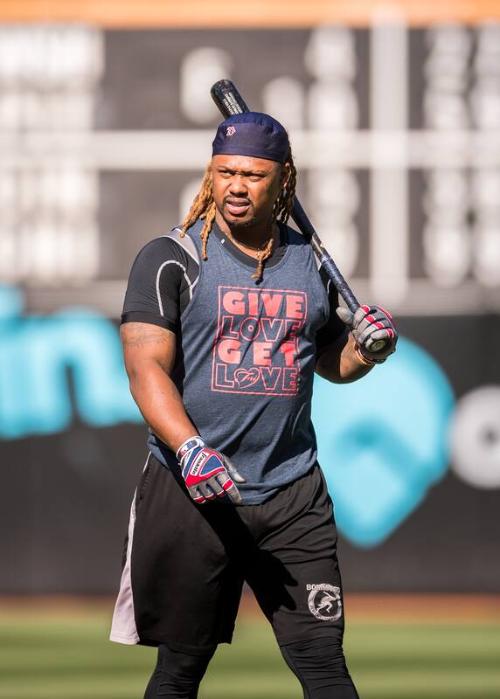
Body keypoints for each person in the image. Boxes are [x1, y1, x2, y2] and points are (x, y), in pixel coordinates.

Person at [110, 112, 397, 699]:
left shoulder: (310, 261)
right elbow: (145, 371)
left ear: (282, 180)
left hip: (292, 492)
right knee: (180, 669)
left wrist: (369, 351)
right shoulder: (170, 257)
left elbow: (329, 363)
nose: (236, 186)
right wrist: (189, 448)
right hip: (195, 489)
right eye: (225, 171)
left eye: (252, 174)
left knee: (323, 664)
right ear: (210, 175)